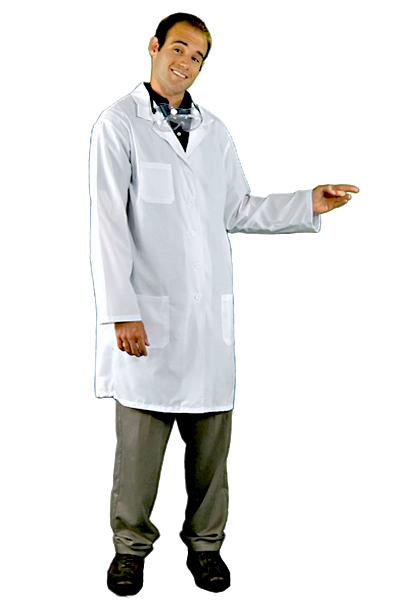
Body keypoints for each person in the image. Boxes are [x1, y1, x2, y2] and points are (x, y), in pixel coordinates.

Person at [89, 12, 360, 597]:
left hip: (206, 326)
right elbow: (108, 223)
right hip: (147, 320)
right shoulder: (119, 124)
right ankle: (129, 551)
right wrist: (121, 310)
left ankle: (206, 548)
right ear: (154, 47)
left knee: (212, 454)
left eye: (198, 57)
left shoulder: (214, 132)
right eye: (178, 49)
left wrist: (307, 202)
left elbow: (238, 208)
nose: (186, 63)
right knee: (137, 452)